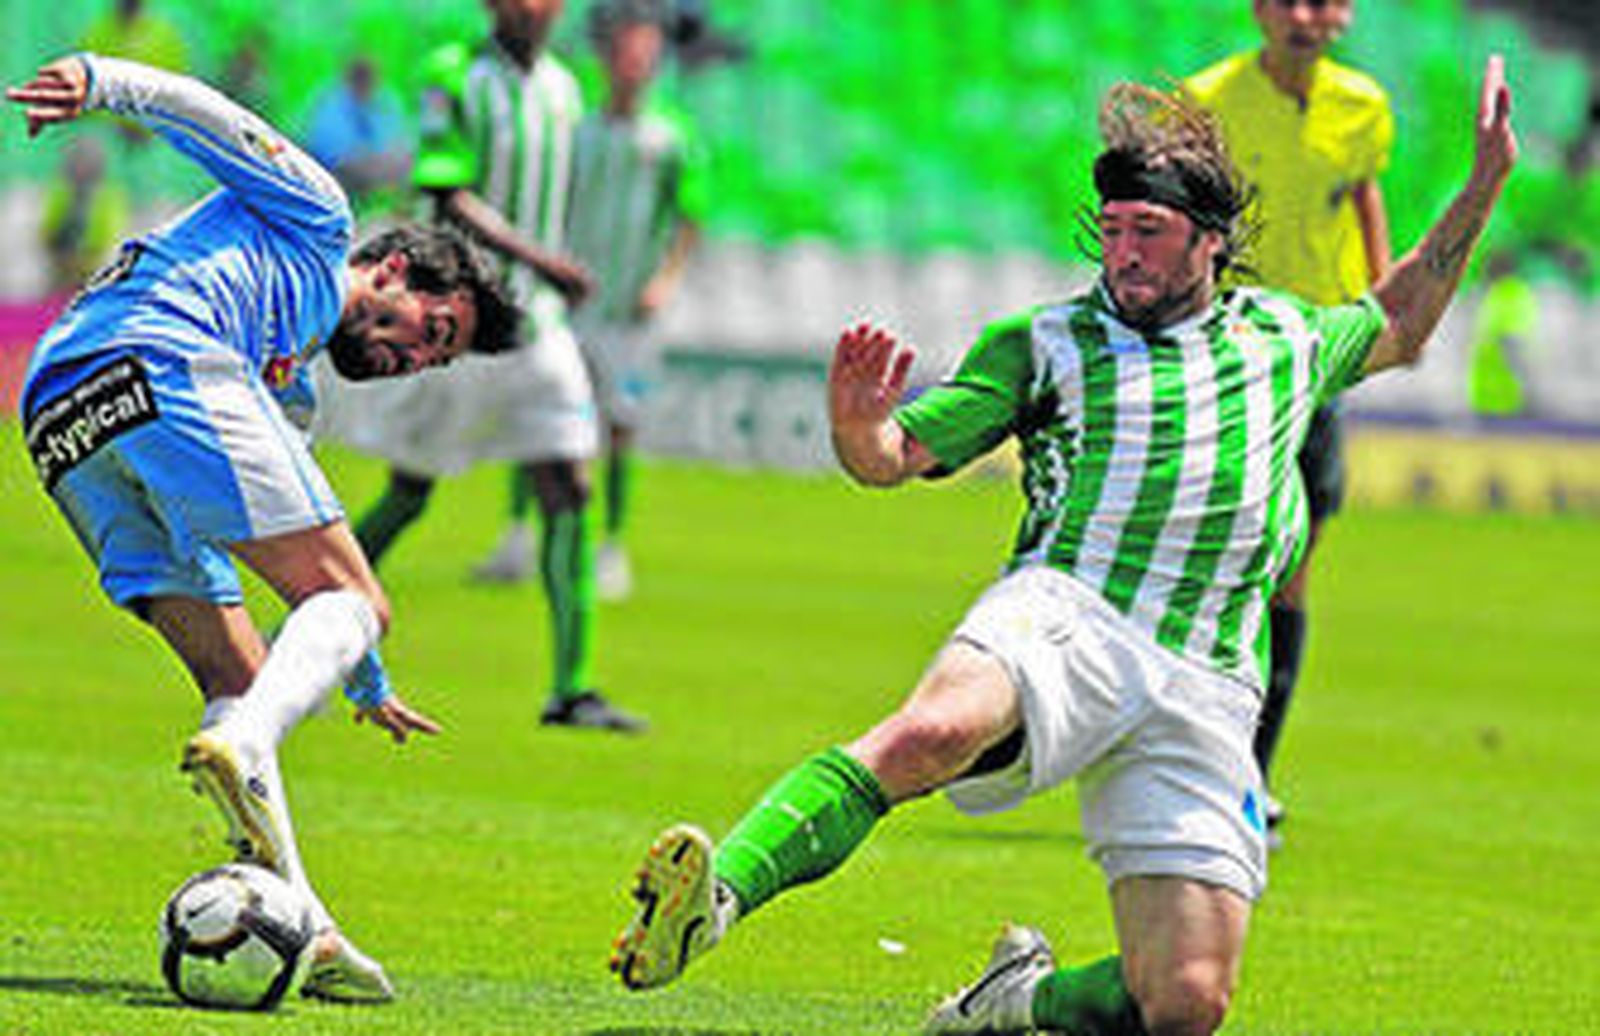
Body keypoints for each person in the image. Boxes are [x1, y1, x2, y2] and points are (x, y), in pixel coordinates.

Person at [607, 57, 1516, 1035]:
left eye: (1148, 232)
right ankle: (720, 895)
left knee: (1185, 1000)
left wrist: (1482, 184)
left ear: (1209, 243)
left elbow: (1405, 315)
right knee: (929, 732)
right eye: (1112, 230)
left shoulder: (1284, 335)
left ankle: (1015, 1001)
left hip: (1207, 676)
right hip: (1068, 610)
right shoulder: (1046, 342)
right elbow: (890, 457)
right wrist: (855, 427)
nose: (1121, 252)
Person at [8, 51, 518, 1002]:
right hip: (163, 350)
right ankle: (246, 744)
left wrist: (360, 679)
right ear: (396, 269)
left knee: (239, 677)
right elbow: (204, 113)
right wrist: (99, 78)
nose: (415, 359)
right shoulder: (317, 217)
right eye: (430, 330)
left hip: (64, 410)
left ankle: (305, 929)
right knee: (356, 600)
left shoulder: (286, 390)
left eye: (434, 362)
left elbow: (273, 562)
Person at [342, 0, 645, 732]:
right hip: (458, 320)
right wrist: (545, 260)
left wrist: (550, 270)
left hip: (538, 327)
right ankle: (307, 627)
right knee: (411, 491)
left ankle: (570, 688)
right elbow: (447, 192)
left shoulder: (565, 89)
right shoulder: (454, 76)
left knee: (570, 483)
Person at [1186, 0, 1394, 842]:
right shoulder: (1206, 102)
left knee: (1291, 571)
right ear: (1259, 10)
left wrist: (1382, 301)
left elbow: (1359, 195)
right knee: (1208, 563)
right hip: (1224, 359)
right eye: (1289, 0)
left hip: (1314, 360)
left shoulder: (1363, 106)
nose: (1307, 16)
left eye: (1324, 0)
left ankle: (1251, 778)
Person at [476, 0, 705, 598]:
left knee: (621, 428)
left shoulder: (671, 134)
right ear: (608, 56)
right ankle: (518, 536)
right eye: (625, 47)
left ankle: (613, 546)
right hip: (569, 303)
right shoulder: (577, 127)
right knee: (540, 420)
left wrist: (666, 280)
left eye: (645, 47)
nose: (634, 59)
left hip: (631, 311)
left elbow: (689, 218)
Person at [304, 57, 412, 214]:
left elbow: (399, 139)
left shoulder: (386, 99)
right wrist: (370, 161)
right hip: (339, 170)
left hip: (378, 166)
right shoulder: (329, 103)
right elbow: (333, 152)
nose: (366, 85)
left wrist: (389, 159)